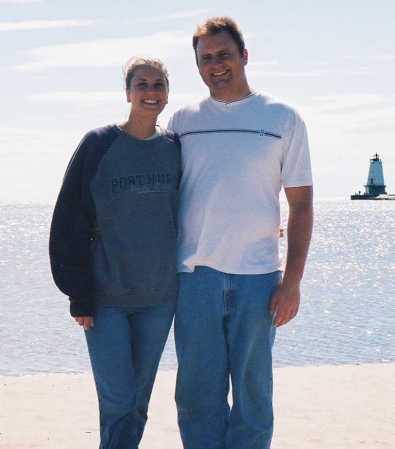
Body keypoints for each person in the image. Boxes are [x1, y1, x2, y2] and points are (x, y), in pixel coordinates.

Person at [168, 17, 313, 449]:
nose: (216, 65)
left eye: (224, 55)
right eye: (206, 58)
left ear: (244, 56)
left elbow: (302, 205)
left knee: (253, 396)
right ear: (197, 66)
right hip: (194, 278)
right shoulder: (181, 121)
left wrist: (292, 283)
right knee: (196, 397)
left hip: (259, 278)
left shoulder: (282, 118)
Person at [49, 58, 181, 449]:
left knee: (137, 402)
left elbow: (198, 207)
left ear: (167, 93)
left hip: (160, 299)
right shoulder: (99, 144)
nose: (151, 92)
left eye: (158, 85)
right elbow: (68, 219)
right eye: (142, 84)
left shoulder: (175, 148)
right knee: (118, 398)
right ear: (127, 93)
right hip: (106, 299)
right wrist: (78, 293)